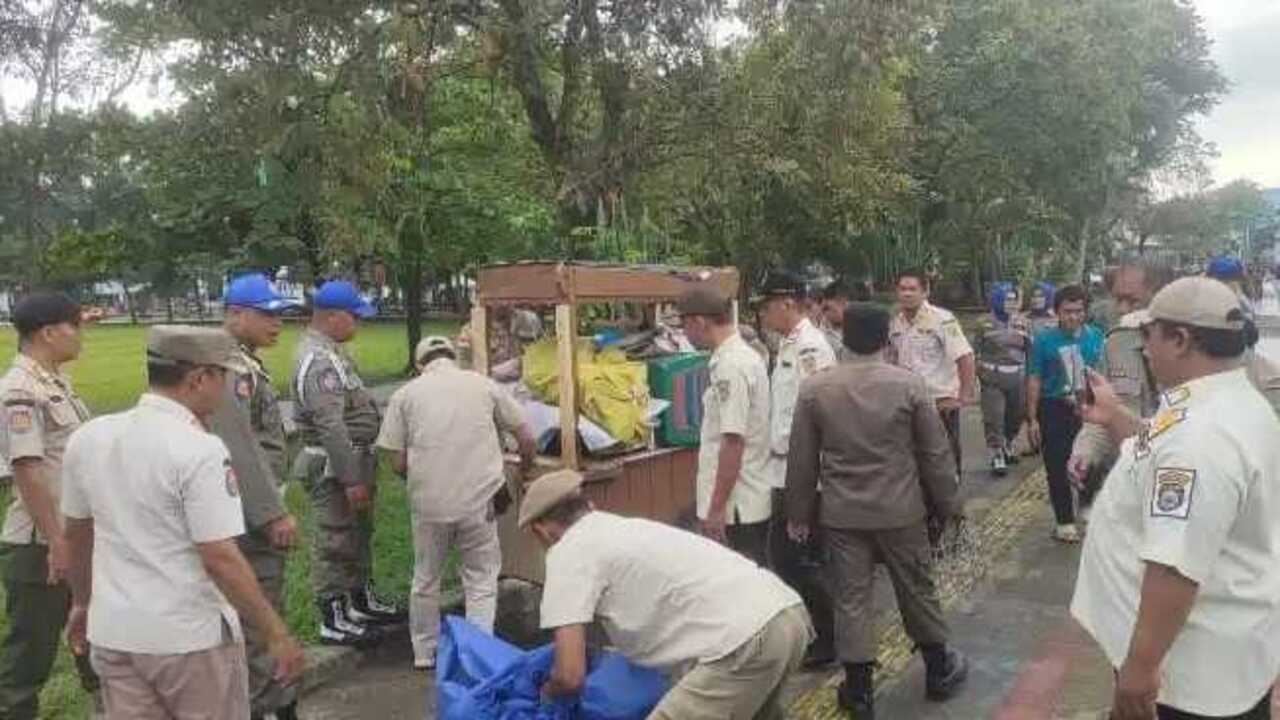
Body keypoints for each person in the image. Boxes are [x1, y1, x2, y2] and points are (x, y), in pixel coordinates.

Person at [60, 326, 306, 719]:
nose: (226, 388)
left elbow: (76, 533)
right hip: (187, 634)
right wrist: (274, 632)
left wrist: (82, 602)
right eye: (222, 376)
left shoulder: (89, 438)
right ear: (198, 379)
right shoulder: (199, 448)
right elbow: (219, 555)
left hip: (115, 632)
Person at [1071, 277, 1280, 720]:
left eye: (1150, 336)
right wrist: (1114, 417)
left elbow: (1175, 565)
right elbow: (1160, 449)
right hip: (1222, 652)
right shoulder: (1229, 400)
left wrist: (1141, 668)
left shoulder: (1199, 438)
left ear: (1181, 339)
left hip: (1184, 680)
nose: (1144, 349)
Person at [787, 302, 969, 718]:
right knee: (917, 588)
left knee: (852, 599)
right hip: (901, 512)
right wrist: (950, 505)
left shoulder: (816, 389)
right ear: (886, 338)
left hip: (842, 515)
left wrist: (799, 514)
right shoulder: (909, 386)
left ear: (844, 337)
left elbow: (801, 461)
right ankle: (939, 669)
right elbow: (935, 455)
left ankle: (859, 690)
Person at [522, 470, 812, 720]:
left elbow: (570, 676)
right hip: (785, 612)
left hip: (743, 640)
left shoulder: (568, 552)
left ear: (541, 532)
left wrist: (547, 696)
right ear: (589, 505)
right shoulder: (622, 528)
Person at [376, 336, 537, 671]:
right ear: (453, 358)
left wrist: (425, 480)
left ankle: (424, 652)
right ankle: (478, 653)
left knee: (426, 578)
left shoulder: (405, 395)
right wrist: (525, 467)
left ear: (420, 365)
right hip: (480, 503)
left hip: (429, 505)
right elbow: (527, 436)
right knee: (480, 579)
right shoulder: (483, 385)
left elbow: (396, 460)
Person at [207, 274, 302, 720]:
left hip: (240, 507)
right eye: (266, 313)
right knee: (258, 609)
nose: (276, 323)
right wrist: (271, 513)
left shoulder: (241, 362)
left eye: (278, 314)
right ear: (235, 314)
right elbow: (239, 447)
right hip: (243, 512)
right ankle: (266, 705)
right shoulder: (229, 368)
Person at [0, 293, 98, 719]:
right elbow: (27, 469)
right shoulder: (20, 390)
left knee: (97, 640)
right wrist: (58, 543)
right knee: (29, 659)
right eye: (74, 326)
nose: (80, 336)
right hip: (41, 545)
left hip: (72, 539)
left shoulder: (54, 383)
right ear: (48, 332)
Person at [292, 280, 404, 646]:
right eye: (354, 317)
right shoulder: (319, 361)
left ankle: (359, 600)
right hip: (334, 465)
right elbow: (330, 424)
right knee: (335, 539)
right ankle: (333, 616)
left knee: (357, 534)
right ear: (333, 316)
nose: (359, 323)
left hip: (354, 458)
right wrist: (350, 477)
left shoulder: (333, 353)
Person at [756, 273, 838, 668]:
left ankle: (829, 638)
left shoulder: (809, 347)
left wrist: (803, 487)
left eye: (767, 305)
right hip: (786, 470)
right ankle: (823, 634)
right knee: (791, 559)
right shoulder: (790, 344)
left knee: (798, 560)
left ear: (787, 303)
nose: (763, 313)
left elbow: (818, 415)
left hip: (803, 475)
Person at [677, 284, 773, 565]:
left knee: (742, 584)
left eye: (684, 325)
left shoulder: (731, 365)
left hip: (737, 507)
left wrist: (716, 509)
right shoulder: (741, 357)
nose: (685, 334)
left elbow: (733, 441)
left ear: (699, 322)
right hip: (743, 500)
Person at [1068, 259, 1171, 494]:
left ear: (1164, 296)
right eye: (1118, 299)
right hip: (1127, 478)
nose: (1123, 309)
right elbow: (1102, 414)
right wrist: (1084, 452)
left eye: (1133, 300)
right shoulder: (1115, 343)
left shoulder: (1196, 346)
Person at [1026, 285, 1103, 543]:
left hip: (1088, 407)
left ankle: (1088, 507)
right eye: (1067, 311)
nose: (1073, 317)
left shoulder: (1096, 338)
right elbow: (1034, 377)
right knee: (1056, 465)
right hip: (1053, 406)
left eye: (1078, 311)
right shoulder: (1044, 340)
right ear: (1056, 312)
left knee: (1090, 460)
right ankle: (1064, 521)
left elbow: (1104, 374)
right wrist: (1032, 417)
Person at [887, 269, 977, 478]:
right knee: (915, 463)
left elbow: (965, 357)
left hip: (940, 404)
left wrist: (963, 397)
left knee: (946, 464)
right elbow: (892, 359)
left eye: (912, 289)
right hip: (908, 404)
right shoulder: (895, 323)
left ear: (925, 292)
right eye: (902, 289)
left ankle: (951, 508)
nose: (907, 294)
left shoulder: (943, 319)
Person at [975, 282, 1031, 476]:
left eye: (1013, 300)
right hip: (992, 376)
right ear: (997, 300)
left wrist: (1030, 375)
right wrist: (979, 372)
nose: (1011, 303)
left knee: (1016, 415)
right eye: (1007, 299)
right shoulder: (983, 323)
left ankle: (1008, 443)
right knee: (994, 416)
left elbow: (1030, 350)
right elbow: (976, 351)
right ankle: (997, 453)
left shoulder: (1023, 322)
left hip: (1017, 375)